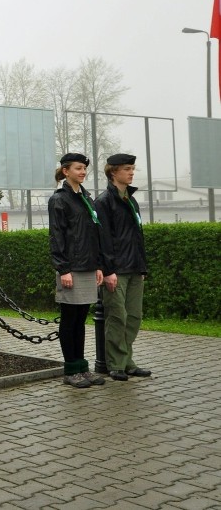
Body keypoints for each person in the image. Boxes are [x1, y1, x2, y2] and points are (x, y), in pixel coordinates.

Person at [48, 153, 106, 389]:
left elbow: (95, 235)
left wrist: (99, 265)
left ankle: (82, 367)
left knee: (81, 319)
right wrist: (63, 269)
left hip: (88, 266)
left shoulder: (86, 198)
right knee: (69, 319)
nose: (83, 172)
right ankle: (70, 369)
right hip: (70, 268)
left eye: (84, 169)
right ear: (65, 171)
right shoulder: (59, 200)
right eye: (78, 168)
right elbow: (57, 236)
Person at [94, 153, 151, 382]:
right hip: (116, 270)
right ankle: (116, 363)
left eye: (132, 168)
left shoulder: (131, 199)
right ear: (113, 171)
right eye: (127, 168)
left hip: (135, 268)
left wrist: (143, 266)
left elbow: (138, 235)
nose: (131, 172)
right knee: (117, 317)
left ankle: (127, 361)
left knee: (134, 317)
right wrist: (108, 270)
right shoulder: (104, 201)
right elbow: (103, 239)